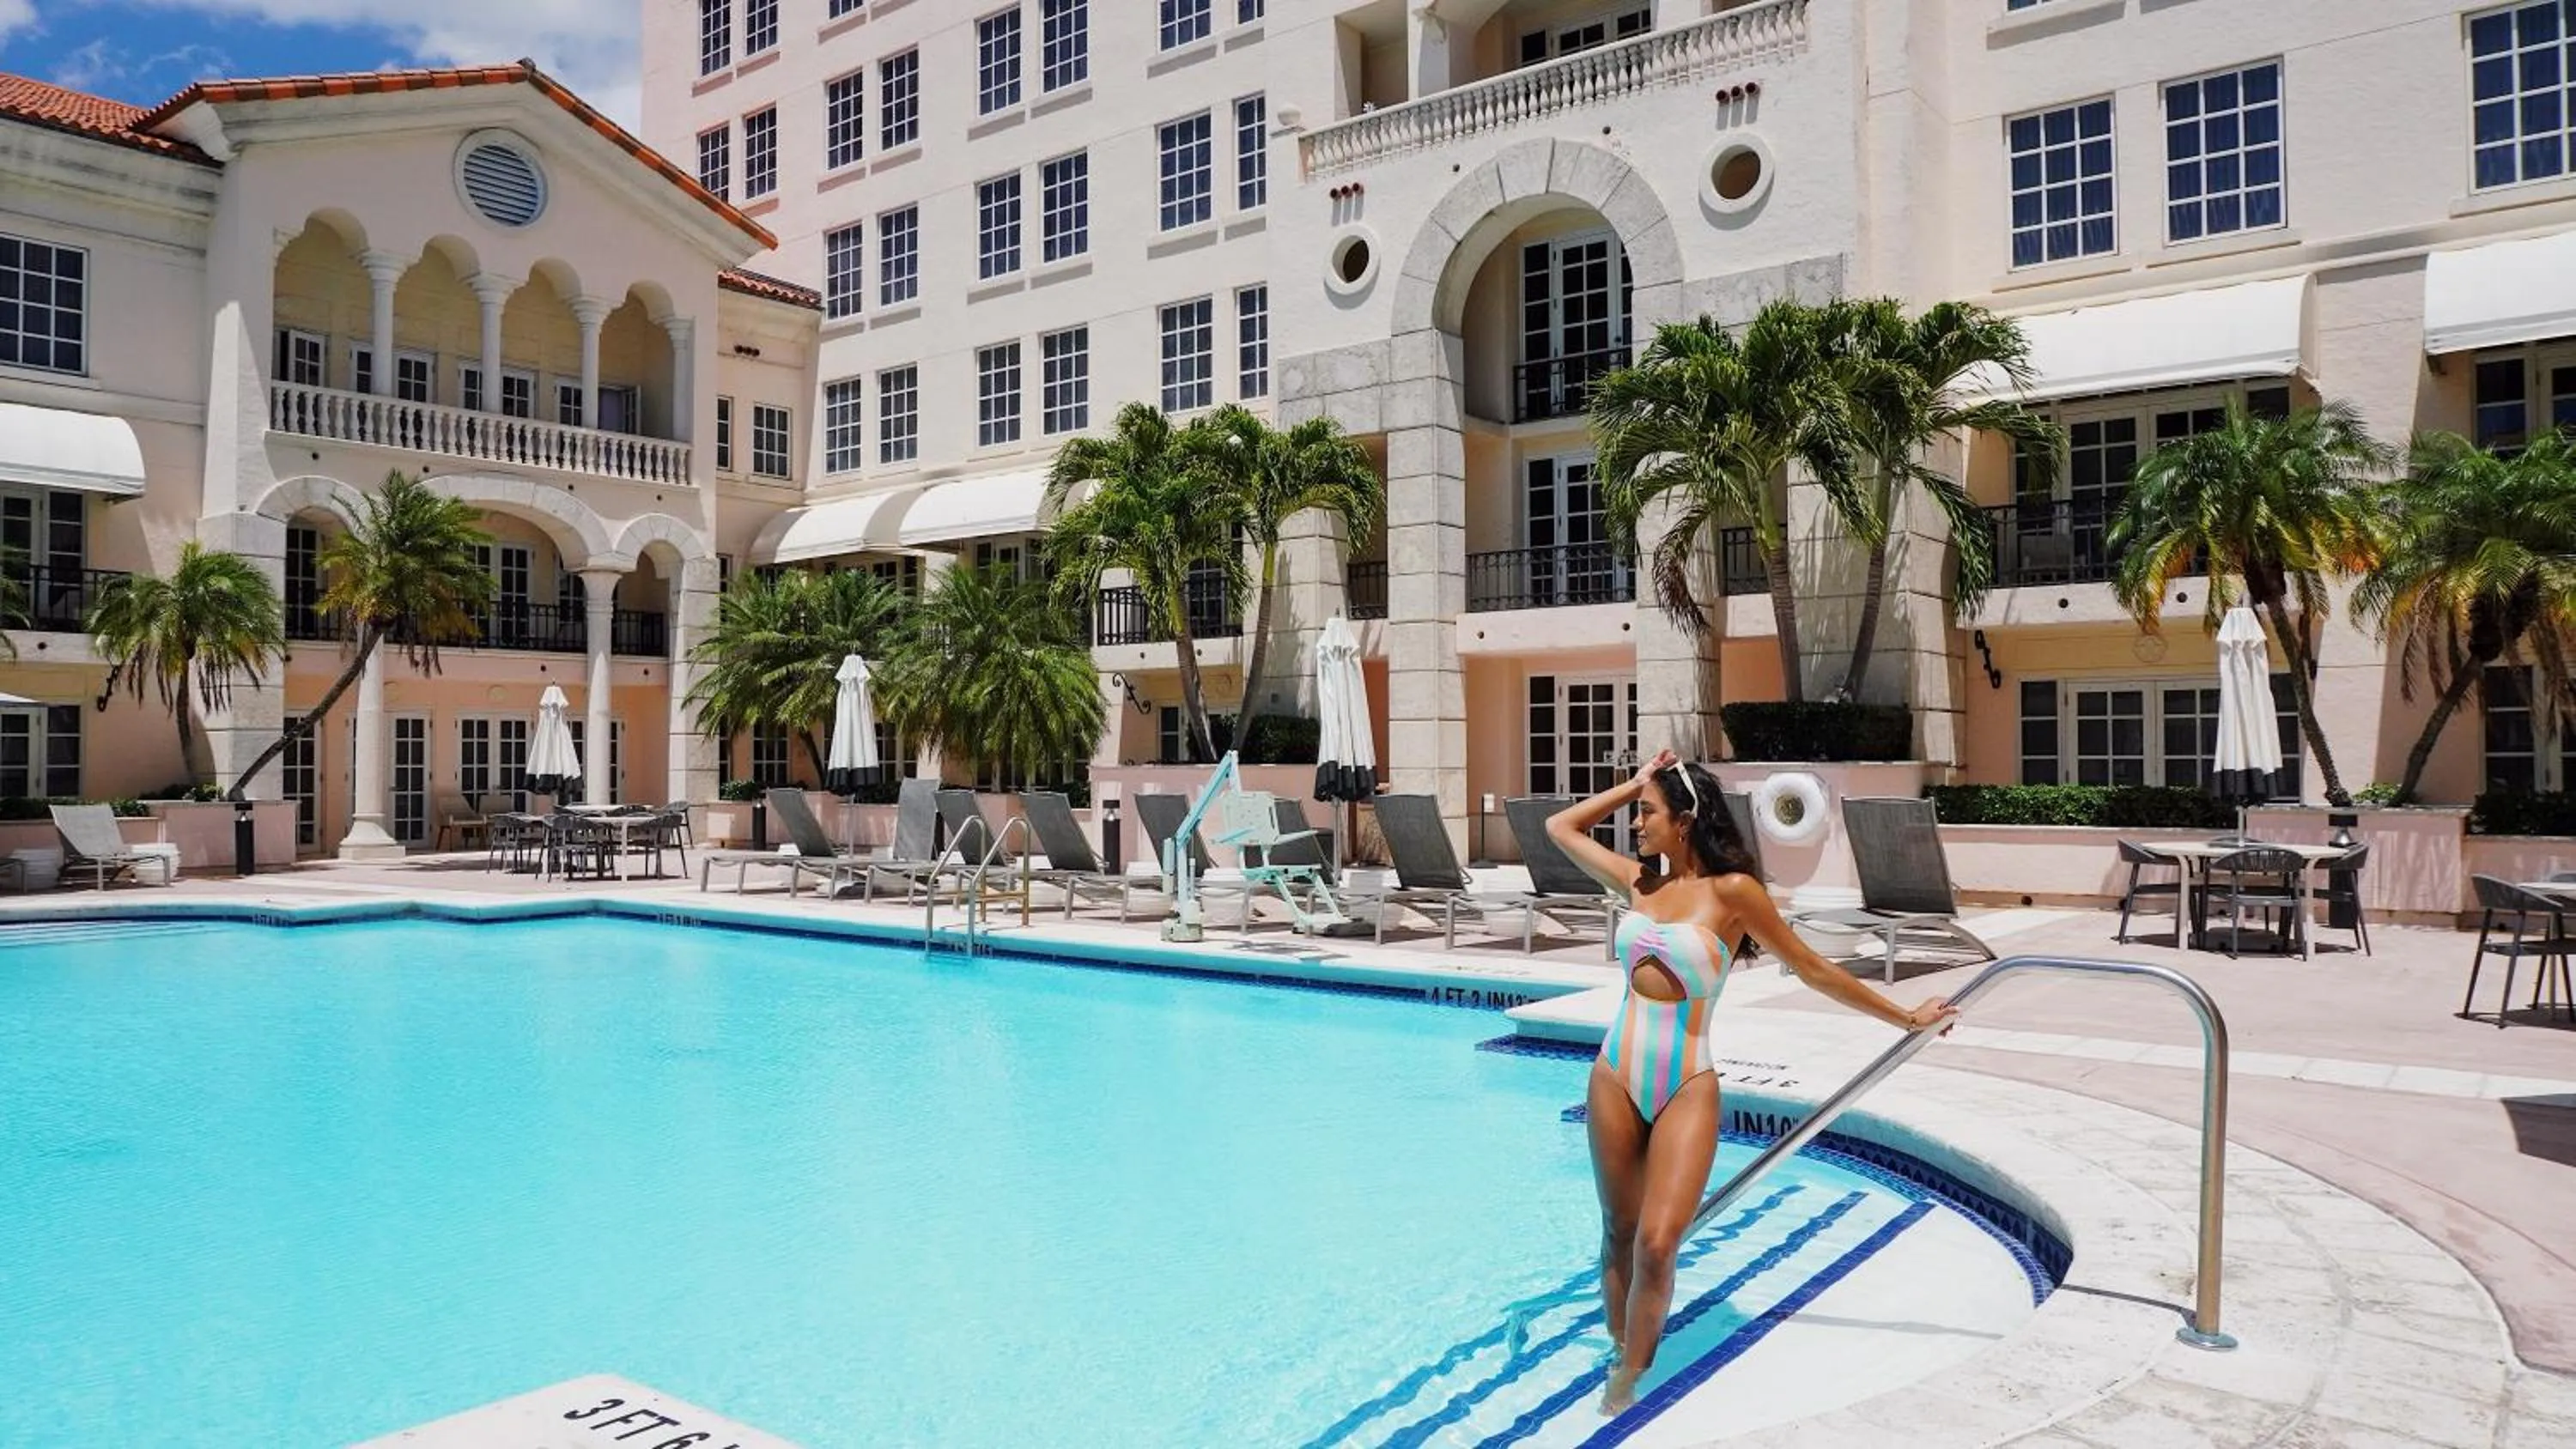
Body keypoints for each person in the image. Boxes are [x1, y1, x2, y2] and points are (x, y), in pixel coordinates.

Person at [1546, 749, 1956, 1415]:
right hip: (1613, 1073)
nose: (1637, 824)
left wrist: (1906, 1017)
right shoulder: (1638, 882)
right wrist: (1636, 783)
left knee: (1657, 1244)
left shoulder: (1733, 893)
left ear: (1685, 821)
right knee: (1618, 1229)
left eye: (1648, 813)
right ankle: (1619, 1352)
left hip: (1686, 1082)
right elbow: (1560, 828)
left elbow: (1813, 969)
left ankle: (1629, 1383)